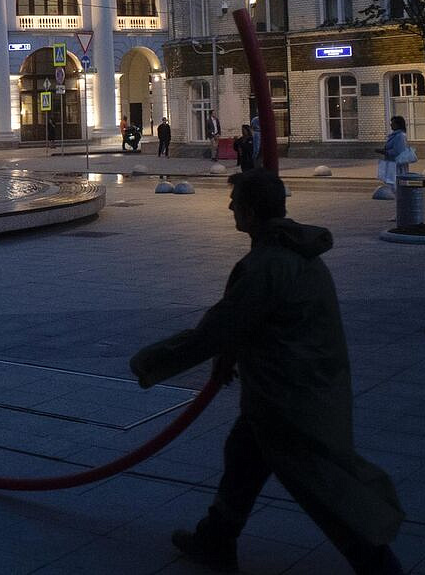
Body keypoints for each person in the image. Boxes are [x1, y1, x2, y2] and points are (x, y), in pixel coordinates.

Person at [131, 169, 404, 575]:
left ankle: (378, 564)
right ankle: (216, 538)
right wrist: (231, 355)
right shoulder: (294, 252)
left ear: (252, 211)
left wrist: (150, 362)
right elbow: (258, 322)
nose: (229, 208)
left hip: (290, 398)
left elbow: (220, 327)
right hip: (294, 388)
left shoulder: (268, 265)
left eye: (235, 202)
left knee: (319, 486)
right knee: (243, 454)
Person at [378, 116, 410, 187]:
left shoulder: (400, 136)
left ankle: (397, 195)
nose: (391, 125)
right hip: (392, 164)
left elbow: (398, 151)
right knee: (392, 183)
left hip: (396, 165)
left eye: (393, 123)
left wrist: (385, 152)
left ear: (398, 125)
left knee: (395, 184)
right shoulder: (396, 135)